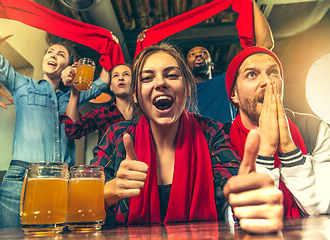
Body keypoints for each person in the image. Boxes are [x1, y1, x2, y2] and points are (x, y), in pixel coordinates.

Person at [91, 43, 283, 233]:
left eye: (172, 75)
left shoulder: (209, 132)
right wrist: (113, 189)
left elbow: (236, 186)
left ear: (188, 88)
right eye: (148, 78)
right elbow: (80, 208)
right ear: (135, 95)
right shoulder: (117, 136)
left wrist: (248, 199)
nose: (160, 83)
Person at [0, 20, 111, 228]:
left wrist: (111, 44)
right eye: (50, 52)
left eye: (61, 55)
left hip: (60, 180)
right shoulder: (21, 84)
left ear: (69, 67)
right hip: (20, 178)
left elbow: (103, 81)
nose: (53, 55)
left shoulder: (73, 97)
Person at [225, 46, 309, 218]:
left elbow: (324, 207)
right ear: (234, 95)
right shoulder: (220, 141)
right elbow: (237, 215)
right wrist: (266, 152)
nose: (267, 82)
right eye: (251, 74)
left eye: (273, 73)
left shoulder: (313, 129)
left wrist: (288, 148)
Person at [186, 0, 274, 123]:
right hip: (194, 140)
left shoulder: (226, 81)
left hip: (226, 139)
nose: (199, 54)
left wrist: (250, 2)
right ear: (186, 68)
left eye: (204, 53)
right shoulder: (181, 91)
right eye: (192, 54)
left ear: (212, 65)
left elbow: (265, 45)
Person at [60, 63, 134, 143]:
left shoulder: (144, 113)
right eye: (115, 75)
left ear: (134, 83)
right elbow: (73, 131)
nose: (121, 78)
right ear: (111, 87)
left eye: (126, 74)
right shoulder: (101, 113)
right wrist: (75, 92)